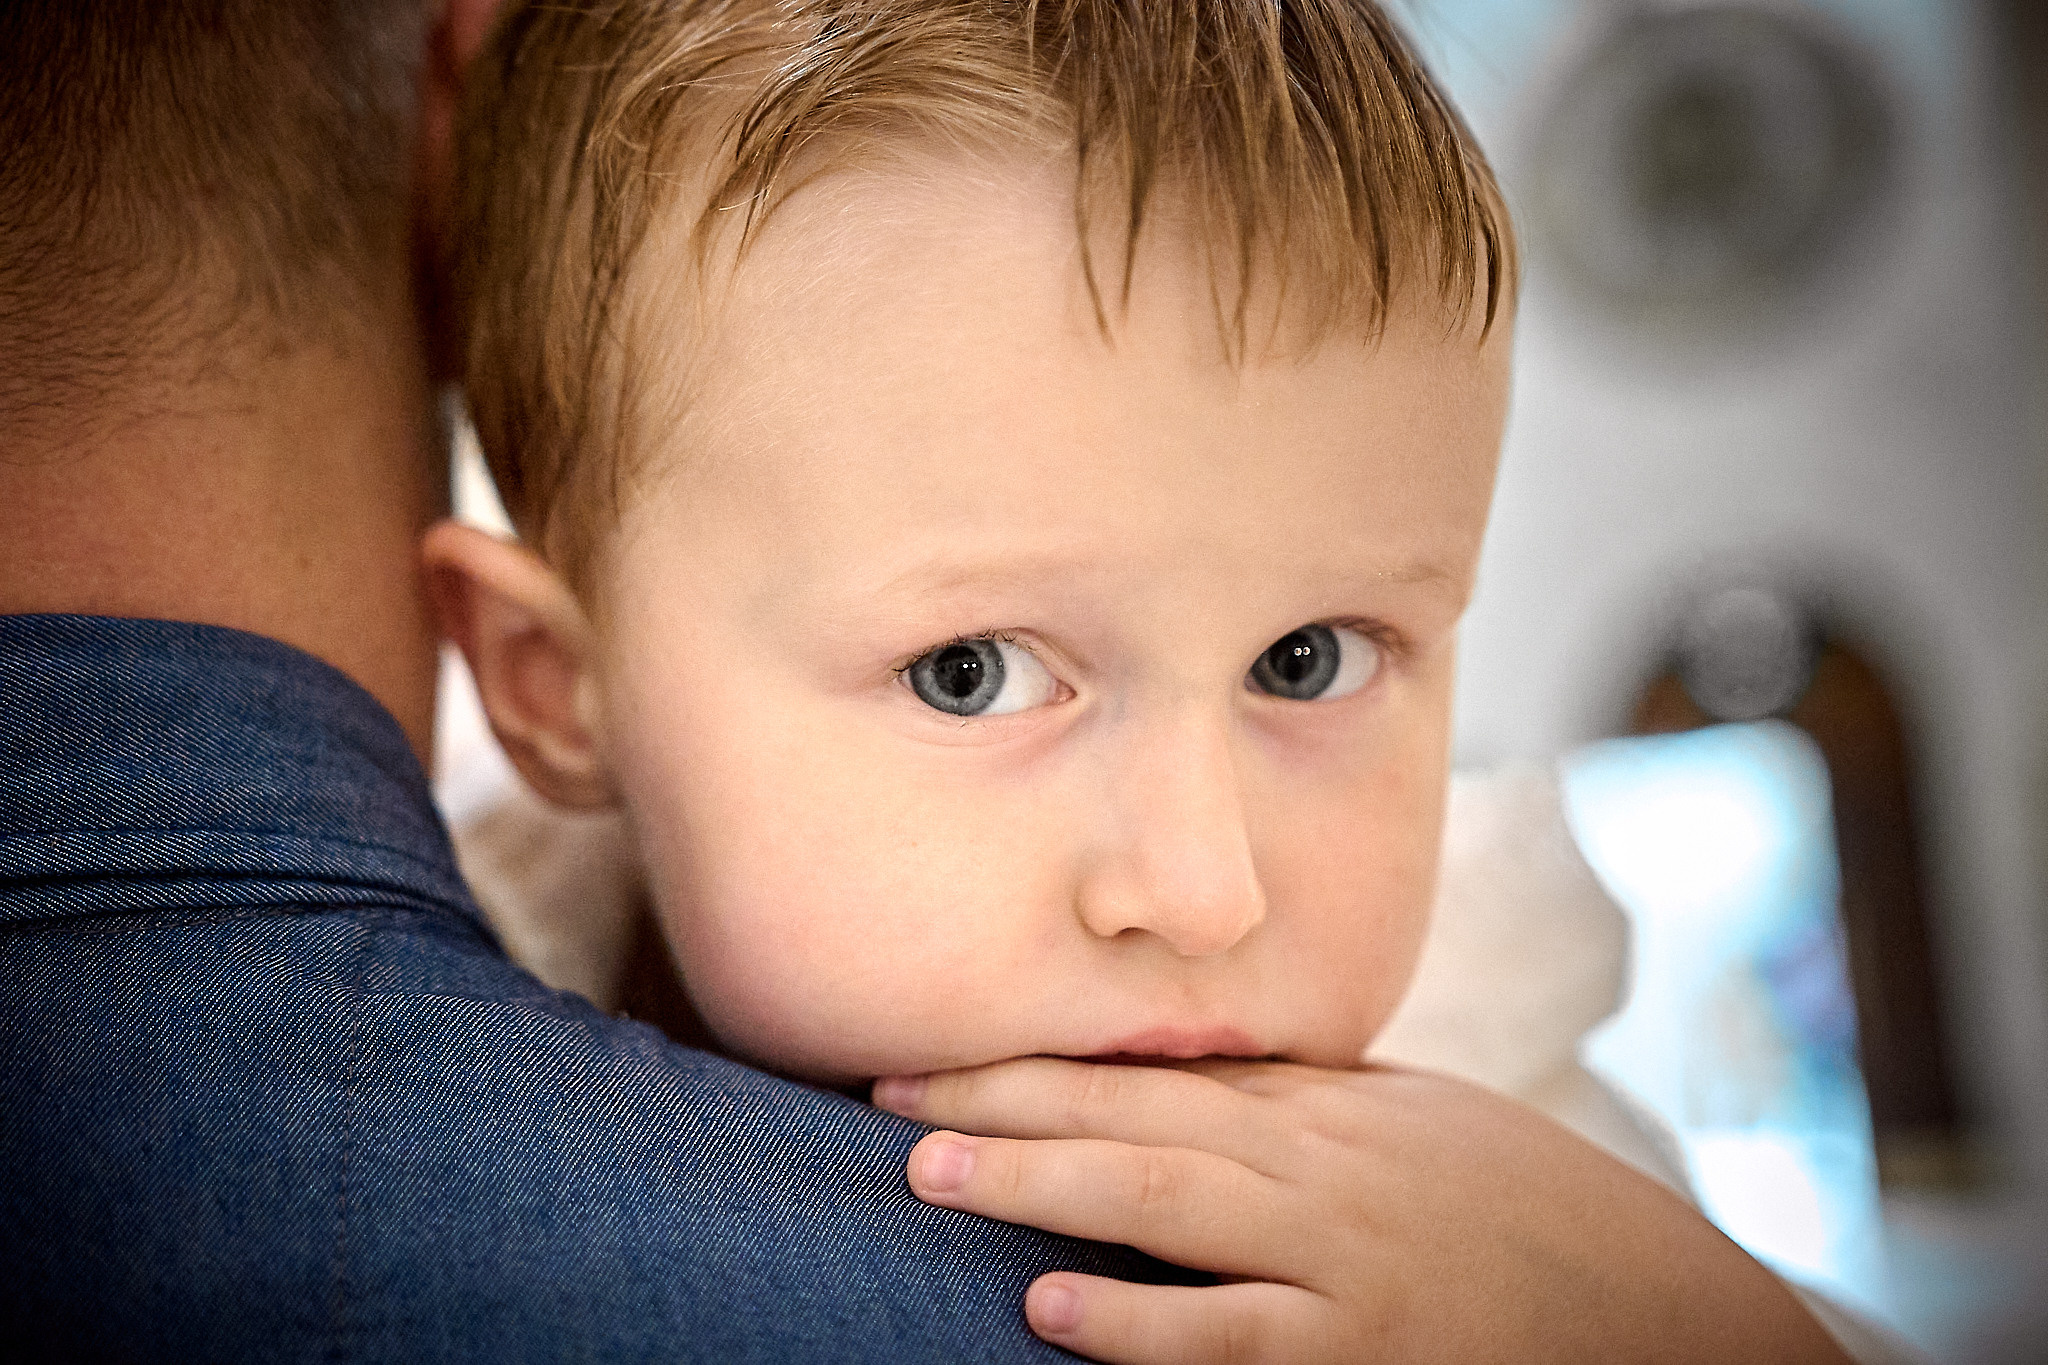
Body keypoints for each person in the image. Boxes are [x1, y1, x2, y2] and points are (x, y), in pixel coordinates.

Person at [415, 1, 1868, 1359]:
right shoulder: (400, 1035)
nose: (1202, 889)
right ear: (555, 690)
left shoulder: (1501, 1147)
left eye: (1310, 660)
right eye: (971, 673)